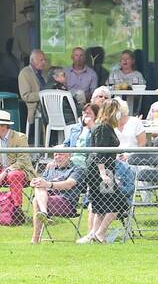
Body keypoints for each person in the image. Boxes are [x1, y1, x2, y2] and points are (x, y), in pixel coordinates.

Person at [79, 100, 132, 244]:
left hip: (106, 170)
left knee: (102, 204)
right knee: (118, 202)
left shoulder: (107, 127)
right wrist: (103, 174)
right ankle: (99, 233)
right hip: (100, 171)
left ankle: (94, 234)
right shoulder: (102, 127)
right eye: (117, 111)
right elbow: (99, 152)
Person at [31, 147, 84, 244]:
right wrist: (34, 182)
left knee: (36, 200)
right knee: (39, 187)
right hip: (47, 198)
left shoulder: (77, 169)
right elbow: (41, 182)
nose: (57, 157)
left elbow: (69, 184)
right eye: (55, 155)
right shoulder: (50, 168)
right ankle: (44, 212)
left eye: (61, 154)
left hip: (66, 201)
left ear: (69, 155)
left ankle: (35, 239)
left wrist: (48, 184)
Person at [17, 49, 49, 127]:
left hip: (48, 103)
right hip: (35, 107)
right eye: (41, 60)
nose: (44, 62)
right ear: (33, 61)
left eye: (44, 60)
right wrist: (43, 95)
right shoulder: (25, 73)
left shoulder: (44, 73)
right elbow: (25, 96)